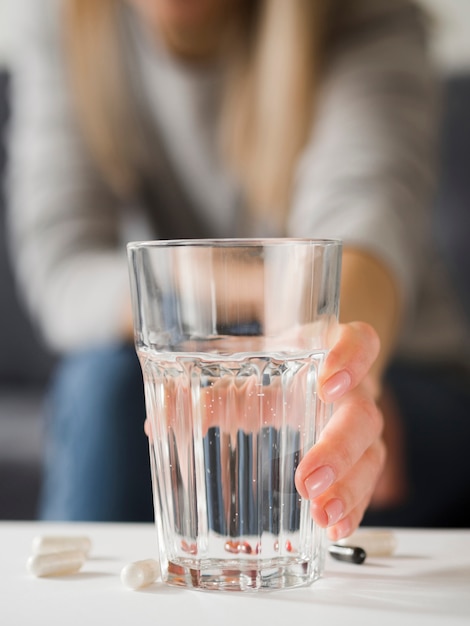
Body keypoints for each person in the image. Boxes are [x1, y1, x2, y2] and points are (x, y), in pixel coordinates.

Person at [6, 0, 470, 537]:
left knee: (288, 428)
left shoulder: (359, 13)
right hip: (207, 345)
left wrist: (340, 370)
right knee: (106, 385)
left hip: (406, 373)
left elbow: (364, 219)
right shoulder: (61, 19)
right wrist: (216, 290)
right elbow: (63, 269)